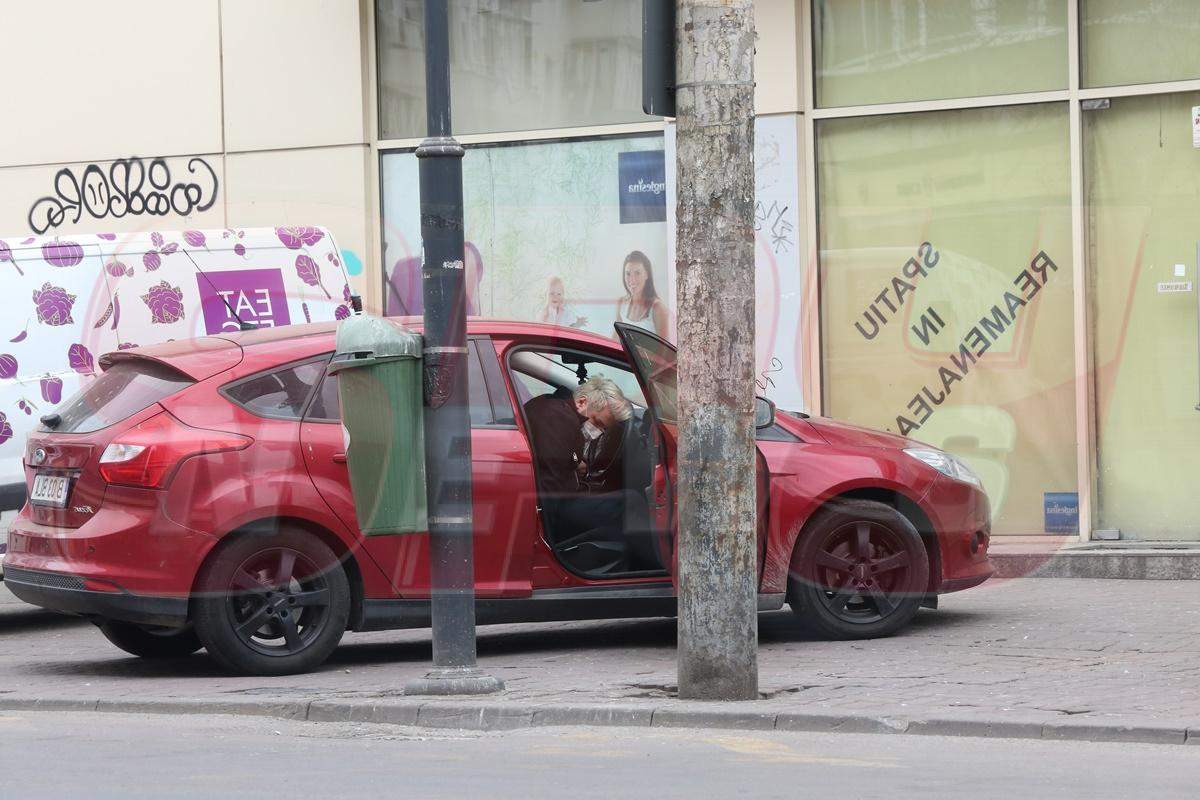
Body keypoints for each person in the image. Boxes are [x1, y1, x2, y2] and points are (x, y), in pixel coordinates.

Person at [523, 376, 632, 548]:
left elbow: (562, 457)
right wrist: (548, 541)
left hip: (557, 500)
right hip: (553, 511)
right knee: (629, 502)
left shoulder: (554, 407)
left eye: (604, 428)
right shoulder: (558, 418)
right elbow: (550, 482)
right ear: (582, 402)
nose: (598, 432)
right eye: (598, 423)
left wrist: (574, 463)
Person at [615, 250, 668, 338]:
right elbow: (615, 339)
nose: (632, 279)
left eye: (637, 273)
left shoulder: (657, 307)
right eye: (628, 274)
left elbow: (664, 350)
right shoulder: (621, 303)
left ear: (647, 275)